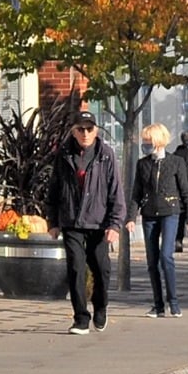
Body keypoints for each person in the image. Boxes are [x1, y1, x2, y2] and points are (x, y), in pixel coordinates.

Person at [51, 110, 125, 335]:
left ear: (96, 131)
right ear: (73, 131)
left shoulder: (106, 154)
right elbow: (54, 190)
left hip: (99, 222)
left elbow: (116, 191)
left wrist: (114, 225)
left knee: (101, 268)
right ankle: (81, 318)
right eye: (80, 129)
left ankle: (100, 306)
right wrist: (53, 221)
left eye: (89, 129)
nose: (85, 133)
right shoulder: (63, 155)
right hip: (72, 220)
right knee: (75, 268)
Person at [131, 123, 188, 318]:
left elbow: (185, 191)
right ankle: (158, 305)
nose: (146, 145)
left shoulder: (175, 162)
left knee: (166, 256)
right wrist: (131, 217)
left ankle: (173, 301)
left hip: (170, 212)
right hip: (149, 214)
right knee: (152, 261)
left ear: (158, 142)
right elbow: (136, 192)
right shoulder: (143, 164)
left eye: (149, 142)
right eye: (144, 142)